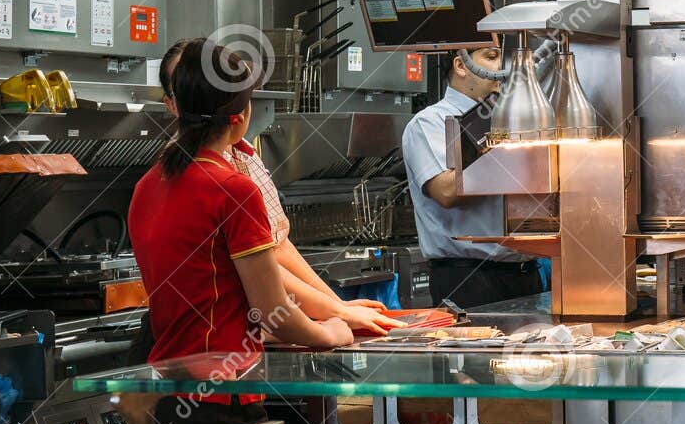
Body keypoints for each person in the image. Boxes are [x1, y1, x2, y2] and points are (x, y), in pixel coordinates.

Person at [130, 39, 354, 424]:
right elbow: (274, 312)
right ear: (242, 115)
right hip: (223, 397)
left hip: (169, 395)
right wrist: (332, 331)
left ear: (176, 106)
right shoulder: (234, 189)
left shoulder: (147, 185)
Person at [158, 39, 403, 337]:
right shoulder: (214, 183)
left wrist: (337, 306)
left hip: (217, 346)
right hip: (222, 346)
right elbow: (268, 296)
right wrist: (332, 327)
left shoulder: (242, 155)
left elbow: (277, 245)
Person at [402, 43, 545, 309]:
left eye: (506, 57)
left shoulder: (509, 119)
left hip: (527, 274)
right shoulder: (428, 123)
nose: (503, 68)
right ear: (461, 65)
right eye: (491, 57)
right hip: (468, 278)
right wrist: (498, 141)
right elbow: (446, 191)